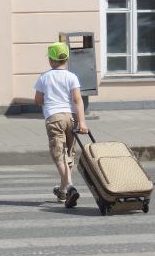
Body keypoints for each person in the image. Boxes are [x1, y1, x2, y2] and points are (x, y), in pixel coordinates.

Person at [34, 42, 88, 208]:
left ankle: (70, 187)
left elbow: (38, 100)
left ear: (51, 60)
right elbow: (77, 100)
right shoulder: (72, 77)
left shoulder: (44, 77)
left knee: (59, 154)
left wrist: (46, 102)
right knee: (69, 154)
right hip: (71, 117)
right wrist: (82, 122)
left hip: (54, 117)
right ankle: (64, 191)